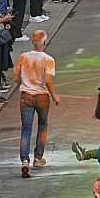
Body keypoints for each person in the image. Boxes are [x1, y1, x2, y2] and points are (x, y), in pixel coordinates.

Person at [14, 31, 60, 178]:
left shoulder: (23, 57)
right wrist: (54, 96)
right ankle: (38, 157)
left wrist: (26, 83)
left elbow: (15, 77)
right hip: (42, 96)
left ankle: (24, 161)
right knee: (42, 126)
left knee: (26, 129)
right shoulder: (48, 60)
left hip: (26, 96)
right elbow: (47, 80)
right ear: (44, 43)